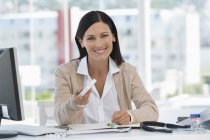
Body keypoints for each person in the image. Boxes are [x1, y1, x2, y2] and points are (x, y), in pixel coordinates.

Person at [54, 10, 159, 126]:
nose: (98, 44)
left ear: (113, 37)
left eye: (104, 36)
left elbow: (152, 110)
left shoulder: (128, 72)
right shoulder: (64, 72)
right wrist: (75, 104)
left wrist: (130, 116)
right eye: (91, 38)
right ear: (81, 41)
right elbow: (60, 119)